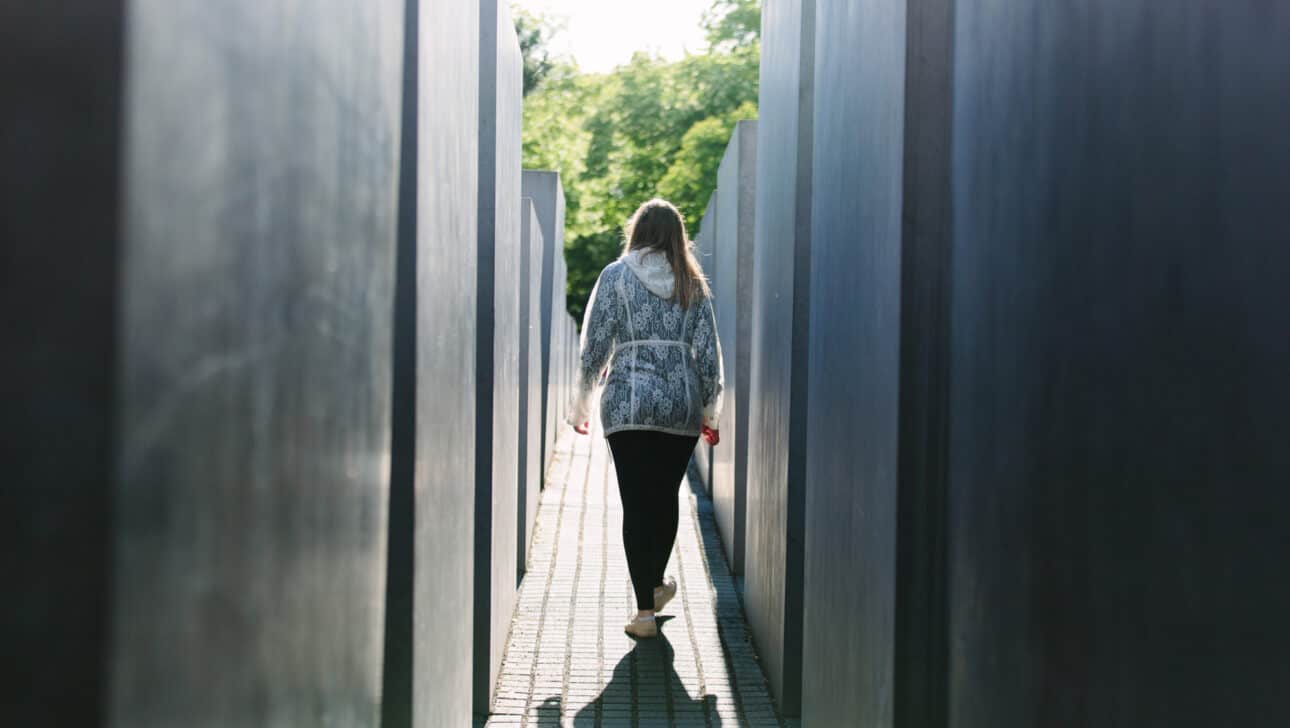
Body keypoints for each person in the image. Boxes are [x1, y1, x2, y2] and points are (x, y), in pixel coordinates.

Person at [567, 198, 724, 639]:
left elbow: (595, 343)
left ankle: (644, 612)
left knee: (636, 503)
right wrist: (711, 410)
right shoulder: (693, 283)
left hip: (628, 404)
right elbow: (708, 352)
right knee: (664, 497)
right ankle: (655, 585)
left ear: (636, 230)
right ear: (678, 235)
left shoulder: (615, 277)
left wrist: (580, 402)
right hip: (679, 403)